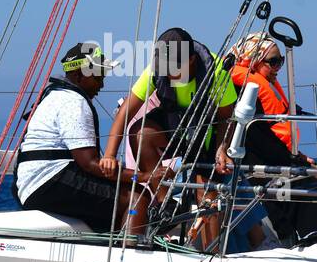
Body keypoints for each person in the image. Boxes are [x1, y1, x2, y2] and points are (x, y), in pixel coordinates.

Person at [14, 41, 161, 235]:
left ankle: (115, 251)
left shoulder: (55, 95)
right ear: (78, 76)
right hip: (47, 182)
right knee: (136, 198)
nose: (101, 84)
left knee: (122, 194)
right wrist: (144, 176)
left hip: (32, 183)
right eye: (97, 77)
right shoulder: (74, 103)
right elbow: (90, 164)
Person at [101, 27, 237, 178]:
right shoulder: (156, 71)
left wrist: (222, 149)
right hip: (174, 125)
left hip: (207, 132)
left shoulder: (217, 72)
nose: (168, 73)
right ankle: (163, 198)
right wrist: (109, 155)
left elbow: (227, 117)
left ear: (191, 60)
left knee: (204, 196)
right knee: (140, 134)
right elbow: (125, 112)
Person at [229, 32, 300, 152]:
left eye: (280, 61)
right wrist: (298, 159)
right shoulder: (246, 94)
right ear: (254, 61)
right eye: (273, 62)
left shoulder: (262, 83)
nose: (278, 67)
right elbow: (262, 142)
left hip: (281, 156)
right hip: (263, 162)